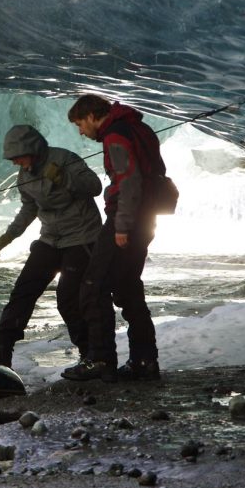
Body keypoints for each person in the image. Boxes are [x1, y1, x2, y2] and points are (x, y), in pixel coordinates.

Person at [61, 94, 167, 382]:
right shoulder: (137, 128)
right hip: (145, 217)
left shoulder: (115, 136)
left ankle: (100, 359)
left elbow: (130, 181)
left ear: (93, 116)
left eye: (80, 124)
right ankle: (144, 361)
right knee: (127, 287)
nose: (81, 131)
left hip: (127, 217)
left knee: (93, 286)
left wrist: (121, 226)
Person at [0, 125, 103, 368]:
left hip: (81, 237)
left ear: (33, 149)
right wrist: (10, 235)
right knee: (24, 290)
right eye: (13, 159)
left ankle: (90, 355)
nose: (16, 162)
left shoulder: (65, 159)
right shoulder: (24, 176)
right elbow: (29, 207)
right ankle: (2, 348)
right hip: (50, 238)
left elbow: (94, 186)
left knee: (68, 297)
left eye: (19, 156)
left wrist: (64, 178)